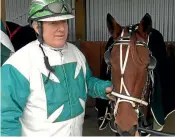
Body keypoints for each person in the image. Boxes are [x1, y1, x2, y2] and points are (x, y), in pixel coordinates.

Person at [1, 0, 113, 136]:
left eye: (64, 21)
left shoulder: (75, 53)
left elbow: (86, 82)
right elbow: (5, 117)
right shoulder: (18, 64)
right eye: (53, 23)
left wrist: (105, 88)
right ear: (37, 27)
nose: (61, 28)